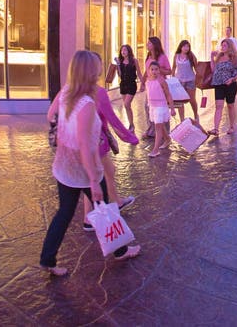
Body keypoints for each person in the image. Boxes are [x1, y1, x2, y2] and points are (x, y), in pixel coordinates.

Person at [40, 50, 140, 276]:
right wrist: (94, 181)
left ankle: (48, 258)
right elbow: (86, 146)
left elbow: (50, 115)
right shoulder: (86, 104)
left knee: (64, 212)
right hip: (84, 169)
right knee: (104, 207)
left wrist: (65, 130)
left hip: (64, 166)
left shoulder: (66, 92)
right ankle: (120, 250)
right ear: (90, 72)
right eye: (96, 67)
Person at [82, 84, 138, 231]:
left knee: (108, 171)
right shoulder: (98, 91)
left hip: (83, 143)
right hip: (96, 142)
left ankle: (117, 201)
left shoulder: (72, 89)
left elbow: (54, 114)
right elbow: (112, 118)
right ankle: (88, 218)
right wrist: (130, 137)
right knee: (94, 180)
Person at [209, 38, 237, 135]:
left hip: (230, 85)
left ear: (230, 47)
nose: (222, 47)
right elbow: (213, 70)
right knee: (218, 106)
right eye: (222, 45)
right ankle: (216, 129)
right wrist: (212, 58)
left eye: (225, 45)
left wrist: (232, 79)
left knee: (230, 106)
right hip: (219, 84)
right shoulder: (219, 57)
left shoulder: (234, 58)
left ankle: (232, 126)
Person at [144, 60, 176, 157]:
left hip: (161, 106)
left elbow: (168, 94)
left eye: (156, 69)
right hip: (152, 106)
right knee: (159, 125)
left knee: (158, 126)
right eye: (152, 69)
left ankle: (155, 150)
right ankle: (167, 139)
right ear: (149, 70)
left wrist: (172, 108)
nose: (154, 71)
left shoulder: (161, 81)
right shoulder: (148, 80)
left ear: (159, 71)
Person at [142, 36, 172, 138]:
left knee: (162, 108)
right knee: (148, 107)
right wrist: (142, 83)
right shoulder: (148, 57)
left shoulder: (162, 57)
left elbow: (169, 71)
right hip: (150, 86)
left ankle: (165, 132)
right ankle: (152, 130)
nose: (147, 45)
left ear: (154, 45)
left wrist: (158, 70)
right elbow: (146, 71)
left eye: (149, 43)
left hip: (160, 86)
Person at [116, 44, 144, 131]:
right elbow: (120, 75)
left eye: (125, 50)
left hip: (131, 84)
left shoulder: (134, 61)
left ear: (129, 51)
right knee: (127, 106)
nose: (123, 52)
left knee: (126, 104)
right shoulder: (120, 62)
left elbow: (139, 73)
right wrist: (118, 65)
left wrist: (143, 83)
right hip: (123, 85)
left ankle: (131, 125)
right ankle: (131, 125)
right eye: (122, 50)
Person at [171, 39, 200, 124]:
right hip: (179, 81)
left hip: (190, 80)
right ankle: (182, 120)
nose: (186, 48)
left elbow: (196, 67)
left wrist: (199, 78)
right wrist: (172, 78)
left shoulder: (191, 55)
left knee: (192, 100)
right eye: (184, 46)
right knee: (180, 101)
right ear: (181, 47)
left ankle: (196, 115)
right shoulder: (176, 56)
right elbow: (173, 67)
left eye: (188, 46)